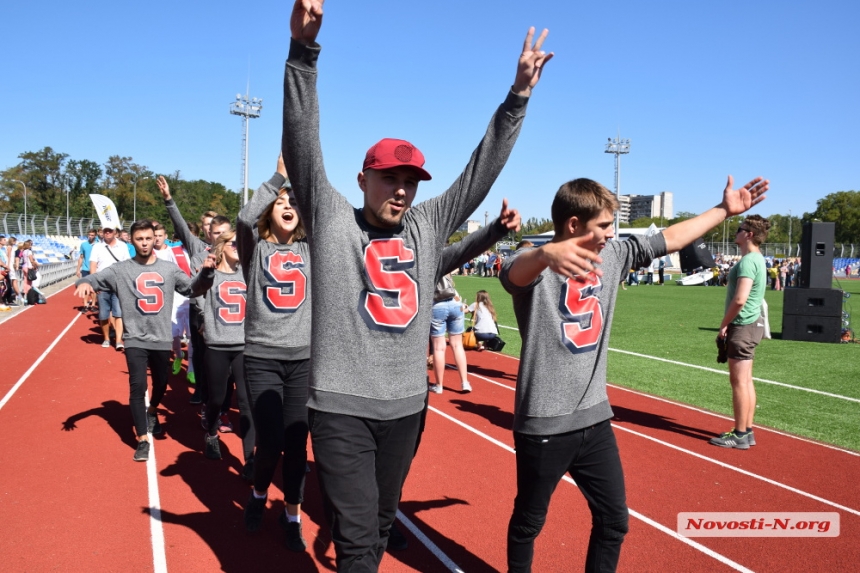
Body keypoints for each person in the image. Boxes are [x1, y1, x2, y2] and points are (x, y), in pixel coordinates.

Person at [282, 2, 552, 569]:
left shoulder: (428, 224)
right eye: (390, 179)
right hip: (340, 407)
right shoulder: (331, 218)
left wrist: (518, 98)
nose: (402, 190)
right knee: (356, 538)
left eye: (410, 181)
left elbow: (479, 173)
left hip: (407, 407)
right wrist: (303, 54)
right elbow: (303, 143)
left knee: (380, 523)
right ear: (363, 179)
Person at [500, 175, 768, 572]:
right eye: (604, 225)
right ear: (573, 224)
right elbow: (512, 272)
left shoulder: (614, 255)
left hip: (594, 418)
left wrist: (724, 210)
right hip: (545, 421)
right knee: (529, 522)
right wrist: (544, 255)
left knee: (614, 521)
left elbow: (671, 238)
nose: (612, 234)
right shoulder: (535, 267)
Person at [74, 219, 216, 461]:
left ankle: (152, 410)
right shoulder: (121, 269)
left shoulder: (169, 269)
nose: (144, 243)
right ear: (132, 240)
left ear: (155, 239)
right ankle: (142, 438)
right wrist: (84, 282)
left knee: (160, 383)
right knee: (137, 386)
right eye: (139, 239)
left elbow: (192, 289)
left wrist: (207, 272)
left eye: (148, 238)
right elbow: (93, 279)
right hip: (135, 339)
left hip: (160, 338)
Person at [236, 157, 311, 552]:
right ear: (270, 208)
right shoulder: (256, 249)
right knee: (270, 442)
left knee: (298, 443)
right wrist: (279, 176)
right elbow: (244, 219)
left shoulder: (313, 249)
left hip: (302, 359)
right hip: (263, 356)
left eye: (294, 202)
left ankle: (292, 515)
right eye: (281, 200)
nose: (288, 205)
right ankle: (259, 494)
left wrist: (304, 181)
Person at [193, 230, 254, 470]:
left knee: (246, 401)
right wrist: (202, 318)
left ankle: (250, 458)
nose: (238, 246)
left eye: (240, 243)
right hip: (217, 345)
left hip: (243, 346)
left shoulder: (248, 273)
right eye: (233, 243)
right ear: (221, 247)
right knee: (216, 399)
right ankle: (211, 433)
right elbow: (194, 291)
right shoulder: (210, 274)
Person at [710, 216, 769, 450]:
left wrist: (724, 323)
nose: (736, 232)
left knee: (739, 382)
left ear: (749, 235)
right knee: (746, 381)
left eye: (739, 229)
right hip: (751, 325)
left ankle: (741, 433)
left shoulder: (747, 262)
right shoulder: (755, 259)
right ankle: (747, 430)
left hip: (742, 325)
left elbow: (740, 298)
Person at [89, 224, 131, 348]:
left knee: (118, 313)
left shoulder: (122, 246)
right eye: (105, 231)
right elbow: (93, 266)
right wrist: (94, 283)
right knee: (103, 314)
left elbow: (127, 265)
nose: (107, 233)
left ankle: (118, 341)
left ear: (115, 232)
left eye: (110, 231)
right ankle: (106, 338)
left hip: (118, 285)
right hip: (102, 285)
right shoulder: (97, 247)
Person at [429, 272, 470, 393]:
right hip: (455, 303)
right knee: (458, 346)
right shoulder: (446, 262)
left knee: (438, 348)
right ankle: (465, 382)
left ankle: (439, 385)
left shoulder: (429, 263)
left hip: (437, 304)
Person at [76, 229, 99, 311]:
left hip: (95, 269)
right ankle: (85, 305)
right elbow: (81, 257)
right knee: (85, 287)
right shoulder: (83, 245)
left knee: (94, 289)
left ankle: (93, 305)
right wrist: (78, 269)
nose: (90, 236)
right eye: (89, 234)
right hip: (85, 268)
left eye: (92, 235)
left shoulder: (99, 245)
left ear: (95, 236)